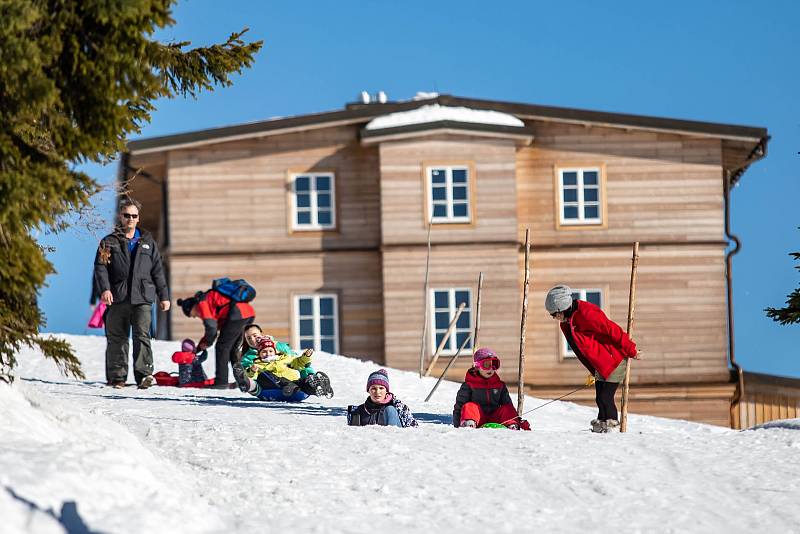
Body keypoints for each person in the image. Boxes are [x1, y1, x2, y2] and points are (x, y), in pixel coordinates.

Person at [93, 198, 169, 389]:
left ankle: (144, 375)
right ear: (121, 216)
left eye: (134, 216)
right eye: (127, 215)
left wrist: (164, 296)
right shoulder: (108, 242)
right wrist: (105, 289)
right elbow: (100, 268)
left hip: (142, 297)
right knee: (117, 337)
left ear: (138, 218)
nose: (130, 219)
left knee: (142, 336)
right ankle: (117, 377)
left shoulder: (148, 243)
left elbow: (157, 271)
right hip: (117, 297)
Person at [545, 284, 640, 433]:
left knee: (605, 397)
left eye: (554, 313)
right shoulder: (568, 323)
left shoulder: (586, 313)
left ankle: (611, 425)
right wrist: (593, 370)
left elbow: (611, 329)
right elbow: (582, 351)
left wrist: (631, 349)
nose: (553, 317)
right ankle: (601, 424)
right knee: (599, 398)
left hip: (613, 360)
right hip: (601, 365)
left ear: (562, 307)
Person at [176, 287, 255, 389]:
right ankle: (242, 380)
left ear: (192, 307)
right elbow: (215, 329)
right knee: (232, 349)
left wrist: (207, 342)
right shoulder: (209, 301)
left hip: (237, 314)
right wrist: (201, 346)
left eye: (193, 315)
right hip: (247, 313)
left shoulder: (202, 304)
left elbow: (211, 328)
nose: (196, 317)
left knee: (222, 347)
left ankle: (221, 382)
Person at [453, 348, 529, 429]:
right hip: (477, 419)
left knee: (507, 408)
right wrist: (457, 424)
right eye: (486, 365)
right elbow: (459, 406)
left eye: (494, 364)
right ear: (477, 366)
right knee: (469, 406)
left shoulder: (500, 385)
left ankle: (512, 426)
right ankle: (468, 424)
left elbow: (508, 406)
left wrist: (517, 420)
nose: (491, 368)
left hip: (495, 419)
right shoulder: (469, 385)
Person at [241, 335, 333, 398]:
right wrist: (252, 371)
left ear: (275, 351)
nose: (267, 354)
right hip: (276, 385)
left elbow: (299, 363)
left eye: (270, 351)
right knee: (263, 375)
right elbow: (251, 380)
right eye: (264, 352)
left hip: (294, 382)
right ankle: (291, 386)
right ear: (259, 354)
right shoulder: (257, 364)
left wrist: (306, 356)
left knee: (304, 383)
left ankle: (318, 387)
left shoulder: (284, 358)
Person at [347, 369, 418, 428]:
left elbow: (412, 430)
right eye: (373, 388)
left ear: (386, 391)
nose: (377, 392)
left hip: (394, 442)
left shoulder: (397, 408)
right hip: (369, 443)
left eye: (381, 388)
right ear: (368, 390)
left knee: (390, 410)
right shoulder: (360, 410)